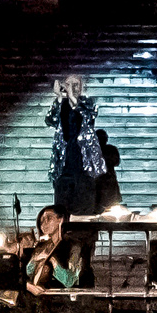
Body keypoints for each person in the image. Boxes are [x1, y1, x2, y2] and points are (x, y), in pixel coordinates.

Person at [46, 77, 114, 216]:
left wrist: (72, 97)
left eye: (75, 84)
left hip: (84, 160)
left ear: (81, 87)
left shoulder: (87, 103)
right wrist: (59, 98)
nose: (72, 87)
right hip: (65, 161)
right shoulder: (61, 104)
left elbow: (90, 115)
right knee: (63, 202)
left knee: (84, 199)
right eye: (69, 84)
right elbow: (50, 120)